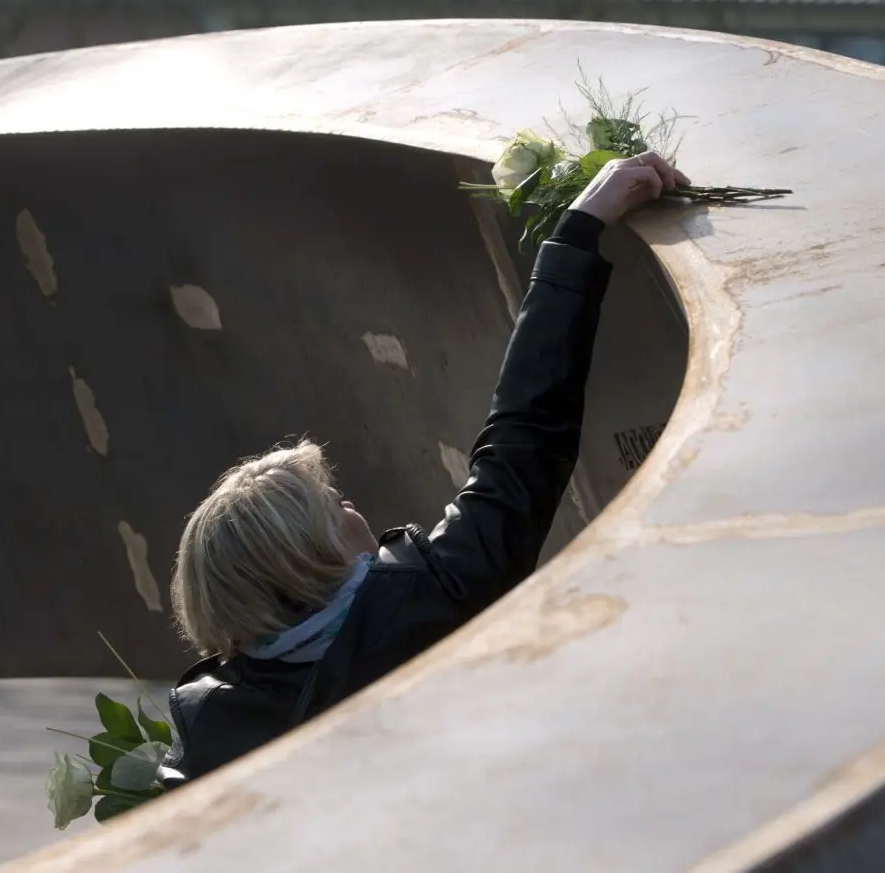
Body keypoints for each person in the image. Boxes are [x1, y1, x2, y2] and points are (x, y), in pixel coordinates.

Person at [158, 150, 689, 788]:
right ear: (302, 559)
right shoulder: (429, 601)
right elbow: (526, 435)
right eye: (333, 507)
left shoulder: (209, 727)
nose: (354, 510)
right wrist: (576, 230)